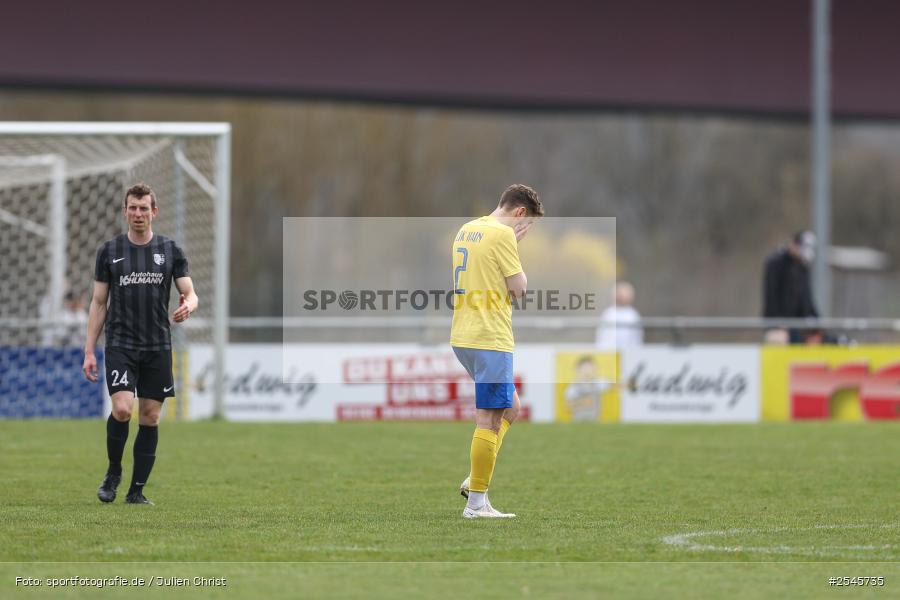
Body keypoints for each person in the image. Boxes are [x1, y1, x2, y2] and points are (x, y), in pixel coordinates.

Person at [83, 183, 198, 505]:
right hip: (120, 343)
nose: (138, 213)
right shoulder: (109, 251)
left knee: (150, 417)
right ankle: (113, 471)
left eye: (143, 208)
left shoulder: (170, 250)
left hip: (157, 346)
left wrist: (189, 304)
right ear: (125, 211)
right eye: (132, 208)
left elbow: (190, 292)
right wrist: (89, 350)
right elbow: (98, 302)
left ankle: (136, 491)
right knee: (122, 409)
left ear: (154, 212)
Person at [451, 183, 543, 519]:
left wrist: (508, 247)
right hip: (490, 335)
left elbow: (484, 269)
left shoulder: (468, 229)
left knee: (511, 407)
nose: (524, 229)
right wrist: (514, 250)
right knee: (488, 419)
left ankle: (476, 478)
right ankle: (477, 504)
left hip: (463, 334)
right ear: (520, 212)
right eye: (527, 222)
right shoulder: (502, 237)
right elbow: (519, 290)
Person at [762, 230, 818, 343]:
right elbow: (771, 296)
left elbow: (807, 298)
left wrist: (815, 322)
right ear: (793, 244)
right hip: (779, 326)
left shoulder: (802, 266)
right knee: (779, 341)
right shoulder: (776, 264)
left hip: (799, 326)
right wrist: (777, 323)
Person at [596, 281, 643, 349]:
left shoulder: (633, 315)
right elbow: (601, 336)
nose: (620, 297)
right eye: (619, 294)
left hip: (628, 352)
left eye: (623, 295)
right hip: (609, 352)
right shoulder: (608, 313)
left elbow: (637, 338)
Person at [564, 355, 610, 421]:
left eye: (592, 368)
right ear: (578, 370)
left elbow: (612, 385)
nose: (589, 371)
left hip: (594, 422)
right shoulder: (574, 387)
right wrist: (582, 402)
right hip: (578, 423)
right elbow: (567, 407)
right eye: (586, 368)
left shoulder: (597, 383)